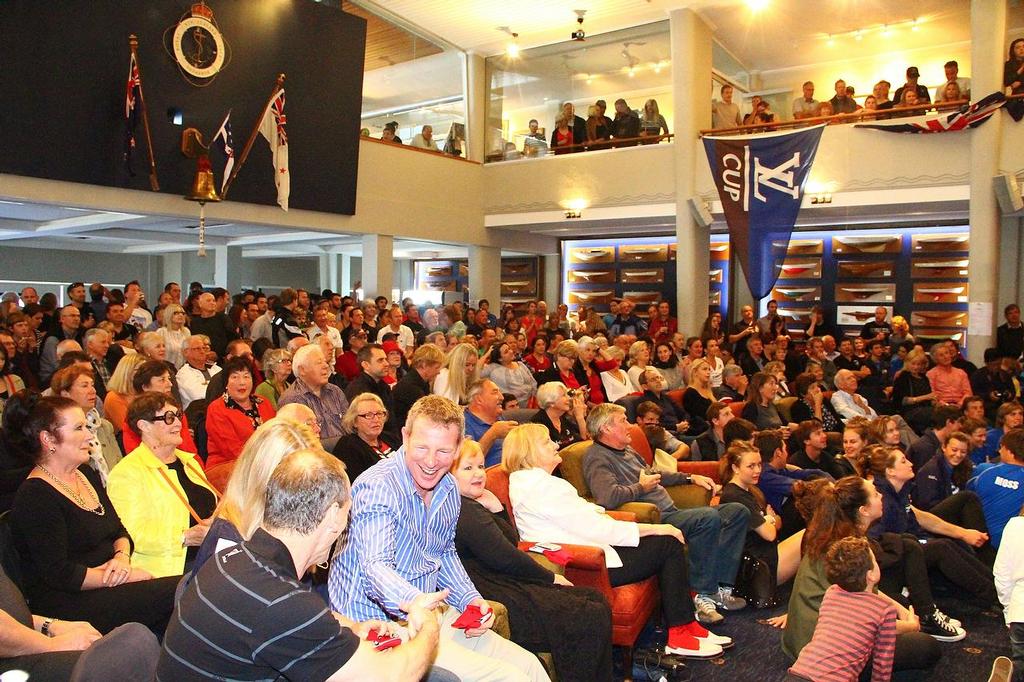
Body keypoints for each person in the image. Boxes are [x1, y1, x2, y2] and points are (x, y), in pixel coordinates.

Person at [161, 446, 444, 681]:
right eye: (349, 509)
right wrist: (427, 624)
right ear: (333, 516)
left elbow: (275, 623)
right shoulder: (281, 601)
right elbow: (395, 676)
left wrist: (350, 627)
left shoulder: (233, 558)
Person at [330, 395, 550, 681]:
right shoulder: (377, 487)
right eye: (422, 447)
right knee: (509, 677)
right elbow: (376, 566)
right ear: (405, 437)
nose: (431, 462)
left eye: (444, 451)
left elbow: (444, 552)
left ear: (458, 447)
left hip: (429, 614)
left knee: (529, 665)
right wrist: (415, 603)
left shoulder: (447, 487)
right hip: (379, 625)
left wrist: (470, 598)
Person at [506, 422, 731, 658]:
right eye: (546, 442)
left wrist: (648, 529)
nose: (555, 445)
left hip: (589, 551)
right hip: (586, 565)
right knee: (667, 544)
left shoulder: (535, 483)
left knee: (666, 543)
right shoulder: (542, 487)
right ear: (528, 452)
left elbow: (590, 516)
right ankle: (681, 633)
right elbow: (595, 528)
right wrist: (655, 529)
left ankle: (685, 627)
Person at [5, 392, 179, 635]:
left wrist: (121, 559)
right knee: (181, 590)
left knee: (181, 594)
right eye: (78, 428)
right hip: (69, 601)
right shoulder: (35, 496)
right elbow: (60, 574)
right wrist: (120, 577)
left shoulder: (85, 474)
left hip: (109, 579)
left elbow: (119, 530)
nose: (89, 435)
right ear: (48, 439)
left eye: (87, 426)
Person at [450, 439, 613, 681]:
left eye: (481, 467)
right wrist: (550, 577)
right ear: (448, 474)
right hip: (489, 588)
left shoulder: (473, 504)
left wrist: (495, 506)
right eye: (468, 468)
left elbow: (509, 542)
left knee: (595, 599)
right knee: (588, 613)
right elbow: (505, 556)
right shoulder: (464, 509)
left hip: (499, 578)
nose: (478, 474)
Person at [582, 402, 748, 624]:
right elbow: (607, 498)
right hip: (657, 518)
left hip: (673, 510)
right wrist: (641, 488)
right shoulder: (597, 457)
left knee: (738, 512)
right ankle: (700, 595)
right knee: (708, 518)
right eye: (623, 421)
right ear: (606, 429)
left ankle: (721, 588)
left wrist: (689, 477)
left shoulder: (627, 450)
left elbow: (655, 473)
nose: (630, 426)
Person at [782, 476, 944, 670]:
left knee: (900, 605)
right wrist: (908, 626)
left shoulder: (835, 535)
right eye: (875, 494)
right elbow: (860, 620)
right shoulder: (847, 549)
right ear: (863, 510)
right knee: (926, 648)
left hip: (806, 639)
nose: (881, 495)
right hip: (823, 649)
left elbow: (866, 596)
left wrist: (901, 613)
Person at [860, 446, 998, 609]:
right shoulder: (883, 500)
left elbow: (919, 516)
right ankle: (995, 596)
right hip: (896, 558)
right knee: (941, 547)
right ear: (890, 471)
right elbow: (879, 543)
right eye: (904, 461)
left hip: (910, 542)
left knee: (952, 542)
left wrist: (962, 533)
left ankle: (998, 586)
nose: (911, 463)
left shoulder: (899, 491)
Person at [107, 392, 217, 578]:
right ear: (144, 426)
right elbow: (132, 534)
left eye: (178, 416)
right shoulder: (126, 473)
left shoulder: (189, 462)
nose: (178, 423)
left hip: (208, 554)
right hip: (169, 568)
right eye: (168, 417)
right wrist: (185, 537)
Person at [788, 536, 897, 682]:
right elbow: (882, 662)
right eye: (875, 561)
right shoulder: (884, 609)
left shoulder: (832, 592)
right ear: (870, 575)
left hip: (798, 673)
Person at [719, 441, 803, 588]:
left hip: (764, 555)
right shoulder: (735, 496)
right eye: (751, 466)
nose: (757, 470)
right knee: (810, 534)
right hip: (757, 566)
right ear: (735, 468)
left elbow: (776, 524)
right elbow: (769, 534)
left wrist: (769, 520)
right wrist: (771, 519)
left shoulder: (748, 491)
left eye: (759, 464)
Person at [50, 365, 122, 484]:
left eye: (92, 385)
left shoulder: (104, 426)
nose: (92, 391)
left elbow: (119, 463)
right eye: (84, 386)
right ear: (65, 393)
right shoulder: (60, 430)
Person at [204, 356, 276, 469]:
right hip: (228, 468)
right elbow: (231, 450)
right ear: (226, 383)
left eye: (246, 376)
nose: (242, 382)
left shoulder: (263, 403)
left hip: (266, 464)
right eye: (235, 377)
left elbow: (275, 435)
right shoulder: (217, 409)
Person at [277, 344, 350, 449]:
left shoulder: (335, 391)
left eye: (325, 362)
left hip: (347, 453)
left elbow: (349, 427)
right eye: (319, 363)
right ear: (302, 370)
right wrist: (343, 443)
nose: (325, 366)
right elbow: (301, 443)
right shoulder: (292, 400)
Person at [968, 428, 1024, 549]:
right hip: (1013, 547)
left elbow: (966, 499)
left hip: (980, 542)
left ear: (1009, 451)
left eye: (1001, 447)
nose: (999, 451)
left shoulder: (985, 472)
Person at [331, 392, 398, 483]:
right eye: (368, 415)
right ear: (354, 421)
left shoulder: (390, 438)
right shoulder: (348, 447)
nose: (376, 419)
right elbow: (360, 484)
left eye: (379, 414)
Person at [464, 379, 518, 467]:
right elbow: (468, 462)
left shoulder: (499, 417)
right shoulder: (464, 423)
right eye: (495, 392)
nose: (502, 397)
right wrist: (493, 434)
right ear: (479, 399)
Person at [393, 343, 445, 428]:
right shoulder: (410, 387)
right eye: (436, 367)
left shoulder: (421, 383)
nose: (438, 372)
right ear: (424, 365)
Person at [530, 381, 588, 449]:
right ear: (551, 402)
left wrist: (580, 417)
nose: (569, 398)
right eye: (564, 395)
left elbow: (585, 441)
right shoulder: (538, 425)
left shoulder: (564, 419)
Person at [481, 339, 537, 405]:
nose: (511, 351)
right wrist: (487, 354)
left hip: (530, 404)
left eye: (509, 349)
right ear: (500, 358)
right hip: (508, 407)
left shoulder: (521, 364)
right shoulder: (493, 368)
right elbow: (476, 372)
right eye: (506, 352)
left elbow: (533, 383)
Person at [175, 335, 220, 411]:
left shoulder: (215, 368)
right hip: (199, 417)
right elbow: (199, 396)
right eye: (197, 349)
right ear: (186, 352)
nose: (202, 351)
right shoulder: (183, 374)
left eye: (204, 348)